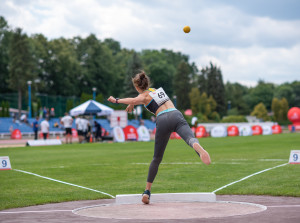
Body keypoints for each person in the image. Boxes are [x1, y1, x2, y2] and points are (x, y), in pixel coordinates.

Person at [108, 71, 211, 205]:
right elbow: (137, 99)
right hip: (175, 114)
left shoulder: (143, 97)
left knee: (157, 158)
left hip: (162, 119)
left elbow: (136, 99)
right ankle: (196, 146)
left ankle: (147, 191)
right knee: (190, 138)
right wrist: (133, 103)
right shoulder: (155, 90)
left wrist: (116, 100)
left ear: (137, 87)